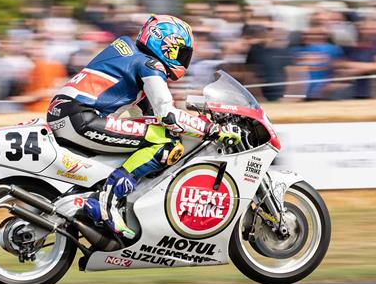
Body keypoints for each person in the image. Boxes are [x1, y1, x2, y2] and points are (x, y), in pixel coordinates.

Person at [47, 14, 240, 238]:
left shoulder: (128, 53)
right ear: (166, 45)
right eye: (182, 53)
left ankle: (101, 193)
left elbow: (151, 114)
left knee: (153, 133)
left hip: (67, 111)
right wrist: (210, 129)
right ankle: (106, 201)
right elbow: (167, 115)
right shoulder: (149, 64)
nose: (184, 60)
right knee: (166, 144)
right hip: (83, 116)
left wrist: (192, 120)